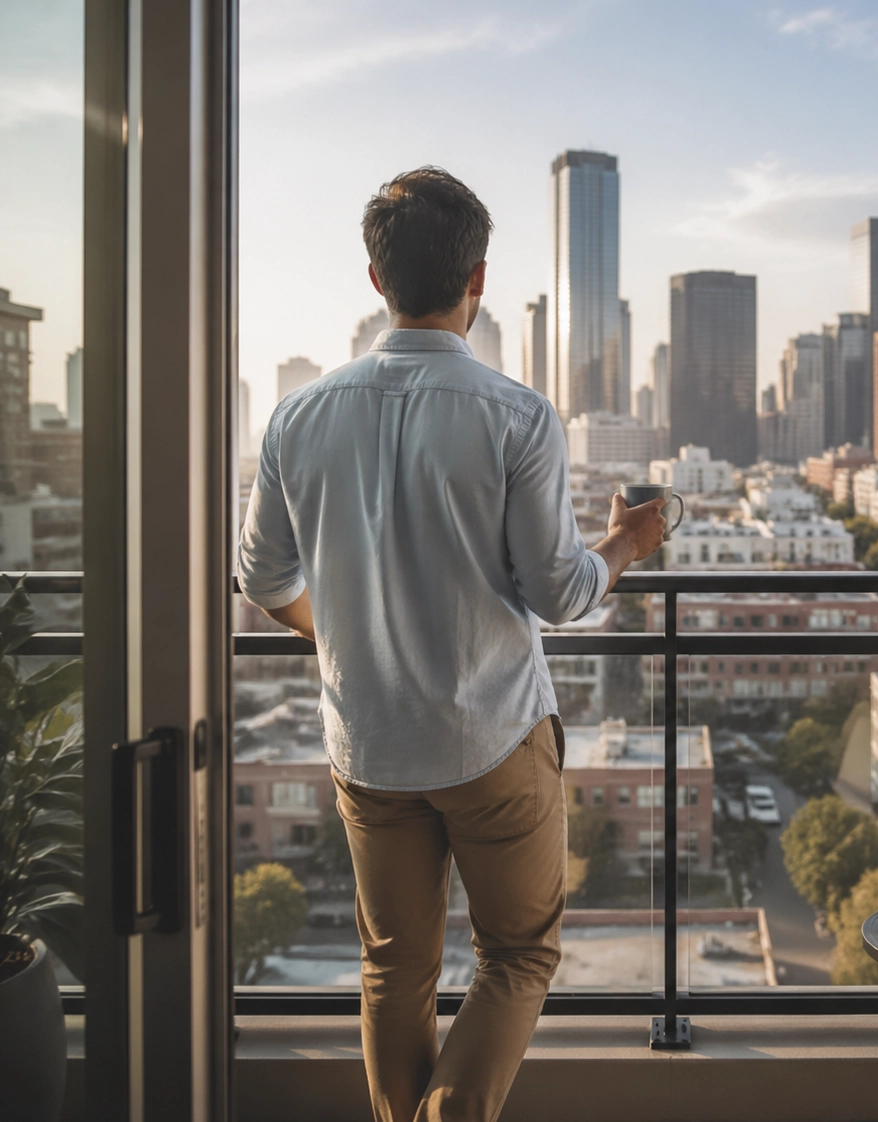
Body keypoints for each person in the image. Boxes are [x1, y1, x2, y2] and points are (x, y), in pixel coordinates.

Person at [237, 166, 666, 1122]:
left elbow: (262, 582)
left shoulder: (297, 416)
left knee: (394, 968)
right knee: (517, 956)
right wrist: (627, 544)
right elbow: (561, 593)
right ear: (477, 277)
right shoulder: (518, 415)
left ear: (376, 278)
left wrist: (347, 636)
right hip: (493, 740)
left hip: (369, 743)